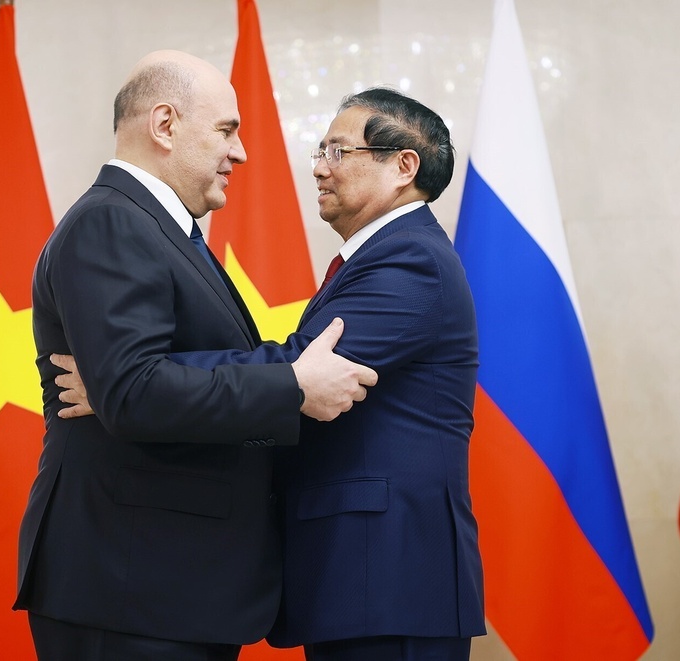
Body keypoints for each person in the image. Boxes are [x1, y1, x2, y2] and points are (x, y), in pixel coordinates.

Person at [57, 87, 486, 660]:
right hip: (361, 576)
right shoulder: (382, 256)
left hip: (389, 574)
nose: (318, 167)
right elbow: (297, 378)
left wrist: (132, 379)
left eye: (338, 153)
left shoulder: (412, 260)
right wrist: (133, 378)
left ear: (403, 166)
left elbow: (301, 368)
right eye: (320, 151)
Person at [13, 50, 378, 661]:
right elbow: (133, 393)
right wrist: (291, 386)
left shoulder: (161, 228)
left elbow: (133, 385)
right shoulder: (112, 222)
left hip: (162, 586)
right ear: (164, 125)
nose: (240, 153)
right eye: (226, 130)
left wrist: (124, 386)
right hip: (129, 586)